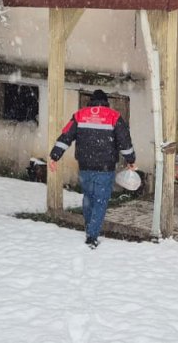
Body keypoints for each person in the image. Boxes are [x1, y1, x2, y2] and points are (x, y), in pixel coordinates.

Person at [49, 90, 136, 249]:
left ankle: (90, 228)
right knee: (100, 201)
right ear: (106, 102)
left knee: (88, 198)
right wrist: (131, 160)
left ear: (91, 101)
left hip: (85, 166)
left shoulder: (79, 115)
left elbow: (65, 136)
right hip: (105, 168)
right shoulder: (113, 116)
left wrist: (55, 156)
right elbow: (124, 141)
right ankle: (92, 236)